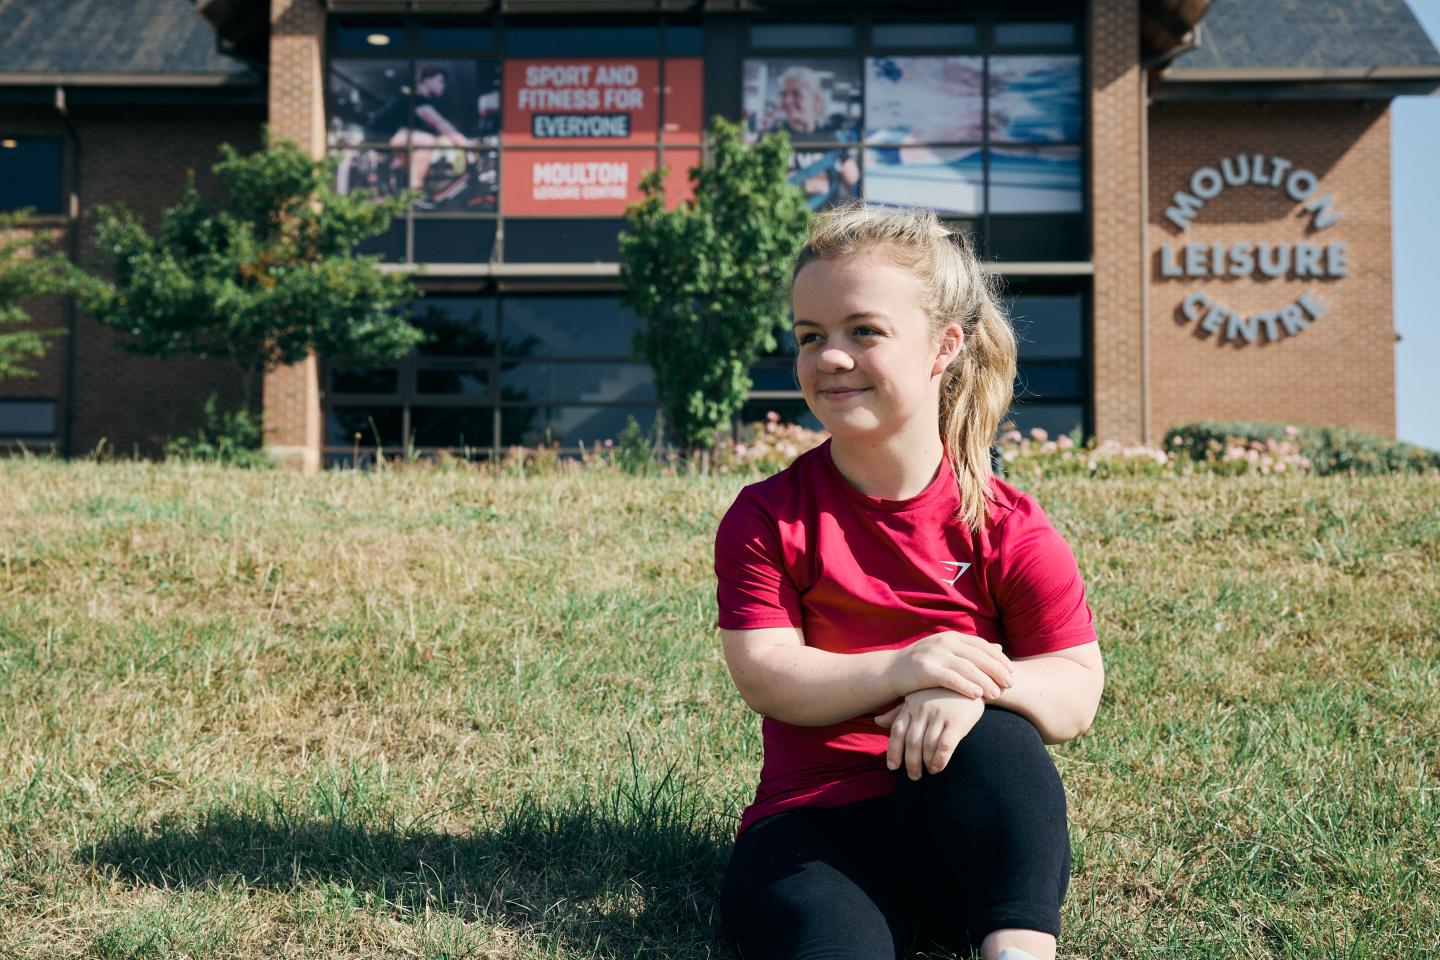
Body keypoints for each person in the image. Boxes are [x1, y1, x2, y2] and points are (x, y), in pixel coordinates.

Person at [714, 202, 1104, 960]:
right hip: (812, 831)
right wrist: (907, 665)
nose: (830, 357)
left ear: (943, 347)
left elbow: (1074, 689)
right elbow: (766, 674)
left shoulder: (1007, 525)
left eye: (864, 331)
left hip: (961, 835)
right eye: (810, 337)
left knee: (997, 737)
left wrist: (965, 687)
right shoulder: (768, 516)